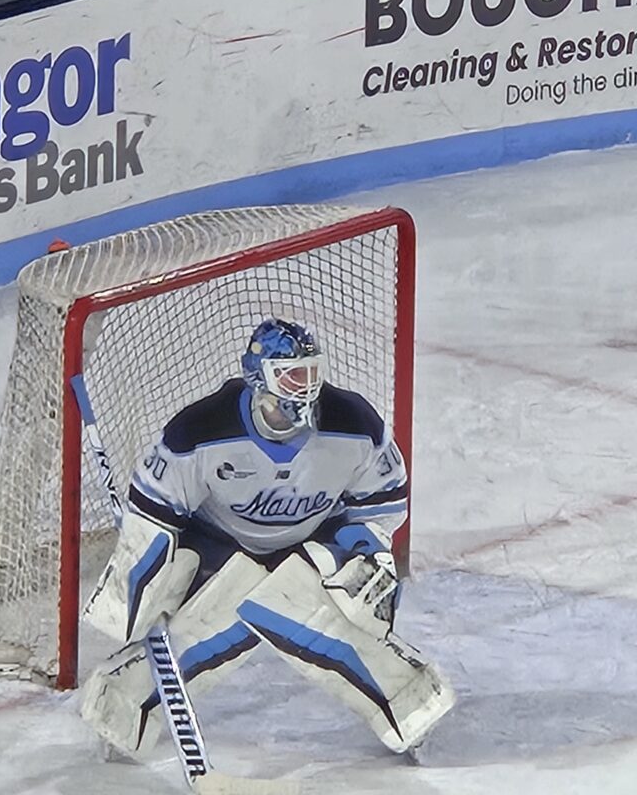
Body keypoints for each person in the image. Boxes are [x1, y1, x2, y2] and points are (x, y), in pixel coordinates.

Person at [79, 317, 454, 758]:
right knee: (203, 608)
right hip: (218, 548)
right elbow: (153, 520)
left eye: (311, 373)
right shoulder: (199, 432)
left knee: (314, 603)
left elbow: (379, 508)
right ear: (259, 378)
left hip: (313, 542)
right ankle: (124, 708)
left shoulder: (354, 423)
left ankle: (410, 705)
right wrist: (147, 588)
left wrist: (362, 562)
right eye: (292, 375)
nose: (304, 388)